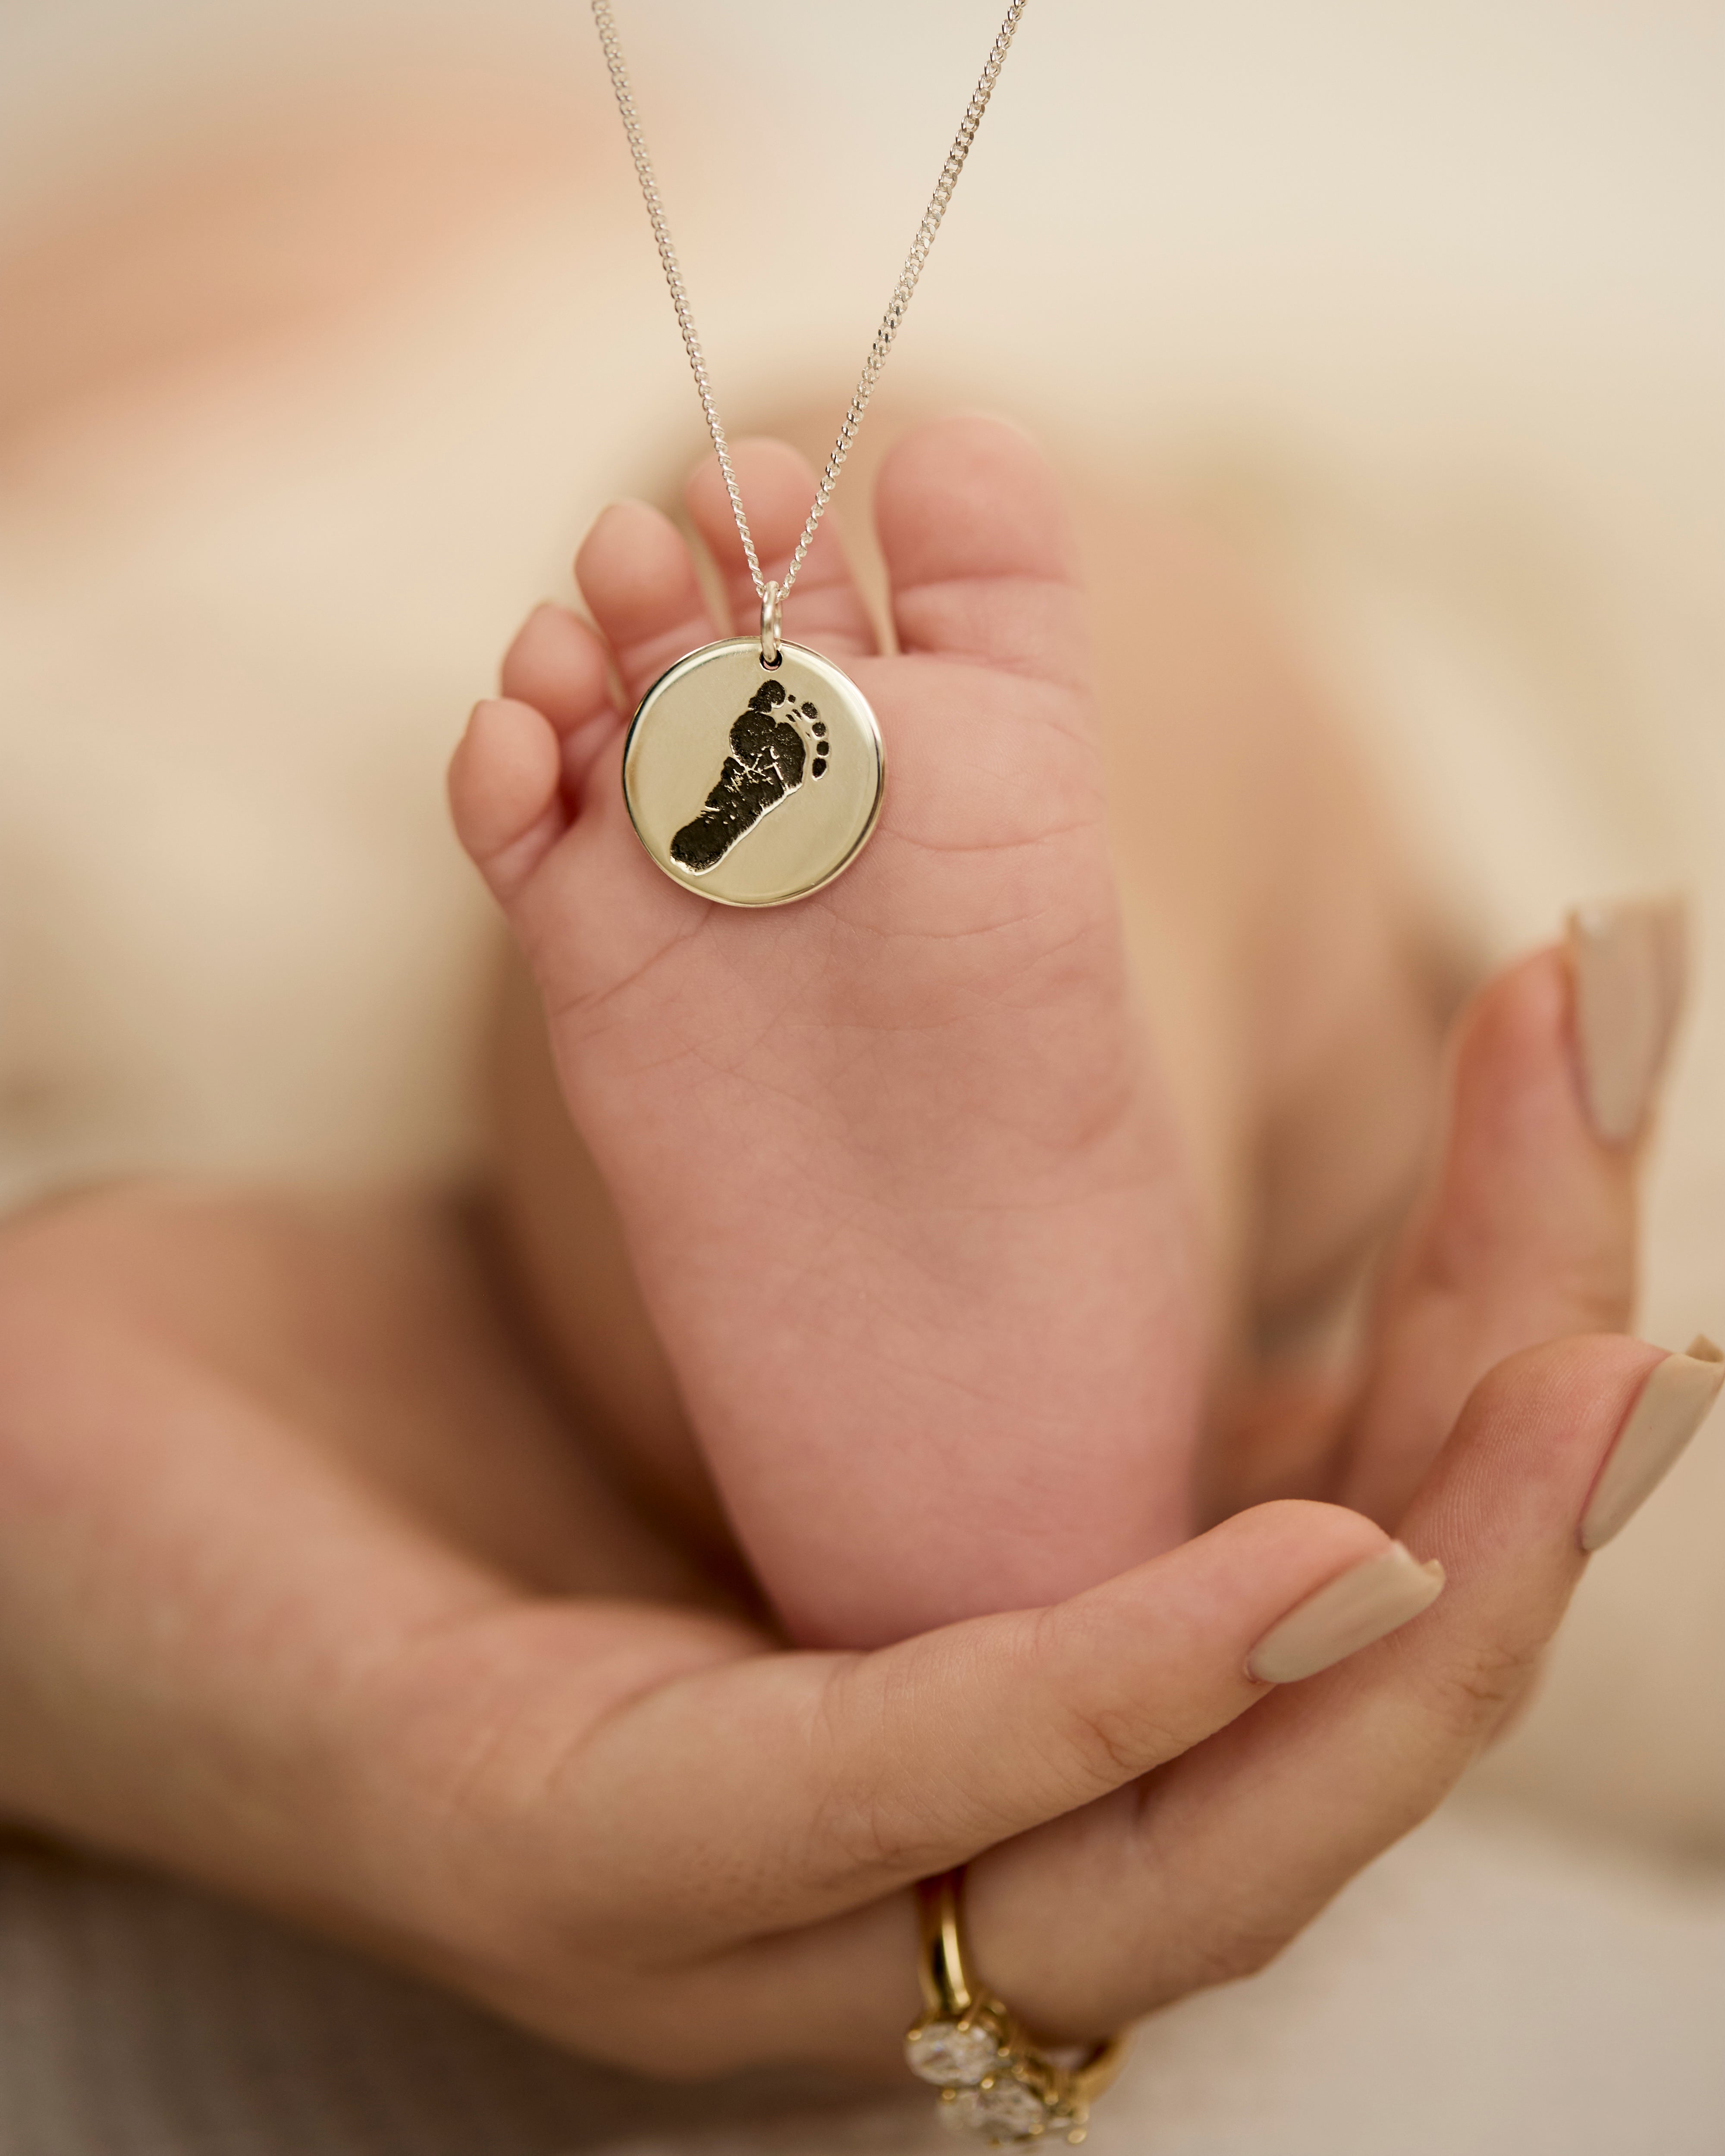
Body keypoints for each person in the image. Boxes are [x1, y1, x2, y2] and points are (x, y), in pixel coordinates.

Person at [0, 411, 1710, 2086]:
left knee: (799, 562)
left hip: (211, 668)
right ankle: (1012, 1288)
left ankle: (915, 1338)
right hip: (1396, 789)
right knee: (907, 557)